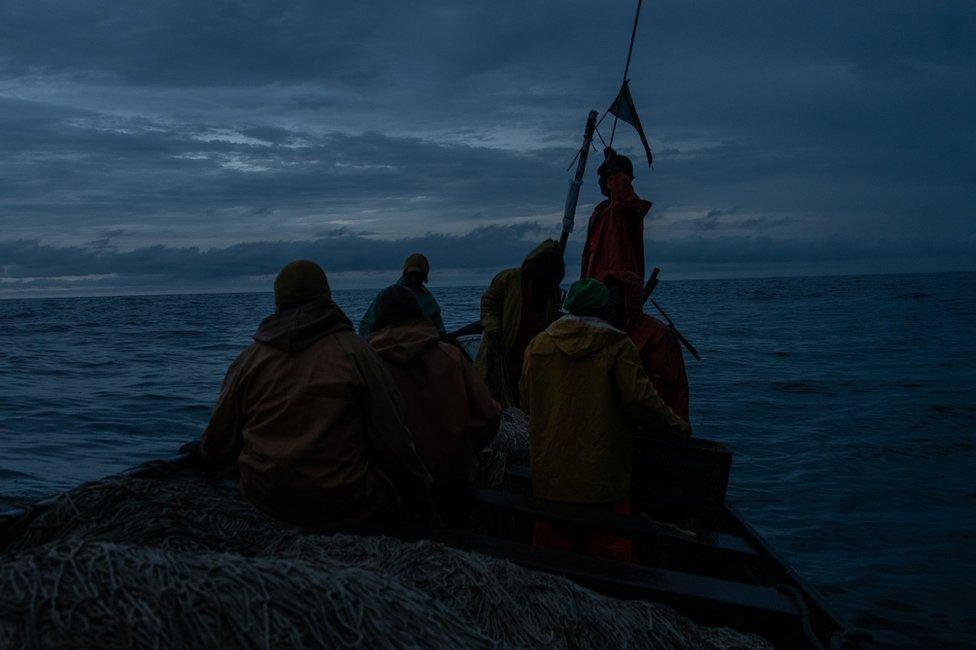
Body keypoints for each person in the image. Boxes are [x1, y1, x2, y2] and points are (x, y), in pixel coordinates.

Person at [198, 260, 433, 530]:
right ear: (326, 295)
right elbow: (393, 440)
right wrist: (422, 492)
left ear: (278, 300)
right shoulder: (357, 353)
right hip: (346, 500)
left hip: (265, 497)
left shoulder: (248, 360)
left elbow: (217, 444)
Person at [520, 278, 690, 562]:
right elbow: (643, 403)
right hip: (602, 481)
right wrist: (678, 428)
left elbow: (527, 403)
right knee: (611, 562)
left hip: (551, 478)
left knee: (548, 563)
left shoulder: (537, 346)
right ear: (606, 309)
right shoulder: (618, 346)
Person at [367, 285, 502, 522]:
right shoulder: (451, 356)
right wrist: (461, 449)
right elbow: (489, 415)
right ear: (420, 312)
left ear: (378, 317)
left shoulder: (366, 364)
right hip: (453, 481)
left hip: (392, 488)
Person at [474, 240, 564, 406]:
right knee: (493, 400)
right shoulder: (507, 279)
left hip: (532, 359)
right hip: (502, 355)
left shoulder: (553, 291)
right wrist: (493, 332)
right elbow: (489, 305)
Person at [603, 273, 690, 422]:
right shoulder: (611, 330)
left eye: (617, 297)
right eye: (609, 297)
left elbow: (665, 387)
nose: (612, 303)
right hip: (630, 416)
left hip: (664, 420)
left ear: (629, 300)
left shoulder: (658, 335)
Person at [580, 149, 651, 284]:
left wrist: (614, 168)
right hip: (595, 290)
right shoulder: (599, 213)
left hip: (619, 290)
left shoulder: (630, 209)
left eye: (607, 176)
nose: (601, 180)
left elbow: (623, 196)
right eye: (600, 176)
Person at [359, 253, 445, 337]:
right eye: (411, 274)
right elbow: (366, 326)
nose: (413, 279)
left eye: (418, 275)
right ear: (404, 273)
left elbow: (440, 332)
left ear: (424, 277)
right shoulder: (386, 295)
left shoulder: (429, 302)